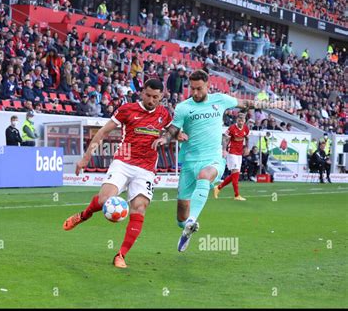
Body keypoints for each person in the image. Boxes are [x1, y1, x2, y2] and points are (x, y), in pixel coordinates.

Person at [152, 70, 276, 253]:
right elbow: (173, 129)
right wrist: (165, 138)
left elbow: (246, 103)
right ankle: (186, 228)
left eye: (199, 89)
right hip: (189, 161)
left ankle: (193, 221)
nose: (195, 93)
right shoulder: (183, 107)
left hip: (213, 158)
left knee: (205, 176)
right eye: (192, 89)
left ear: (207, 86)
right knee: (180, 215)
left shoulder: (220, 99)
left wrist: (270, 104)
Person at [62, 79, 175, 269]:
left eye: (156, 97)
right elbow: (102, 133)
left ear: (161, 97)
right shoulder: (127, 109)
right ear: (142, 92)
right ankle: (84, 215)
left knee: (139, 208)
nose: (151, 100)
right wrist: (85, 158)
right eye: (148, 95)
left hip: (146, 169)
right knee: (104, 199)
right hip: (123, 162)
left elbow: (173, 130)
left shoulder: (164, 114)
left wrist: (168, 137)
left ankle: (121, 255)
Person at [214, 112, 250, 201]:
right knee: (236, 173)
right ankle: (237, 195)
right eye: (239, 120)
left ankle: (218, 187)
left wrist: (246, 148)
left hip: (239, 153)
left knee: (235, 174)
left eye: (242, 120)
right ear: (236, 120)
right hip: (232, 152)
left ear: (244, 121)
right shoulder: (232, 128)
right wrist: (224, 150)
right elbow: (225, 139)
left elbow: (247, 138)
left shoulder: (246, 128)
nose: (241, 122)